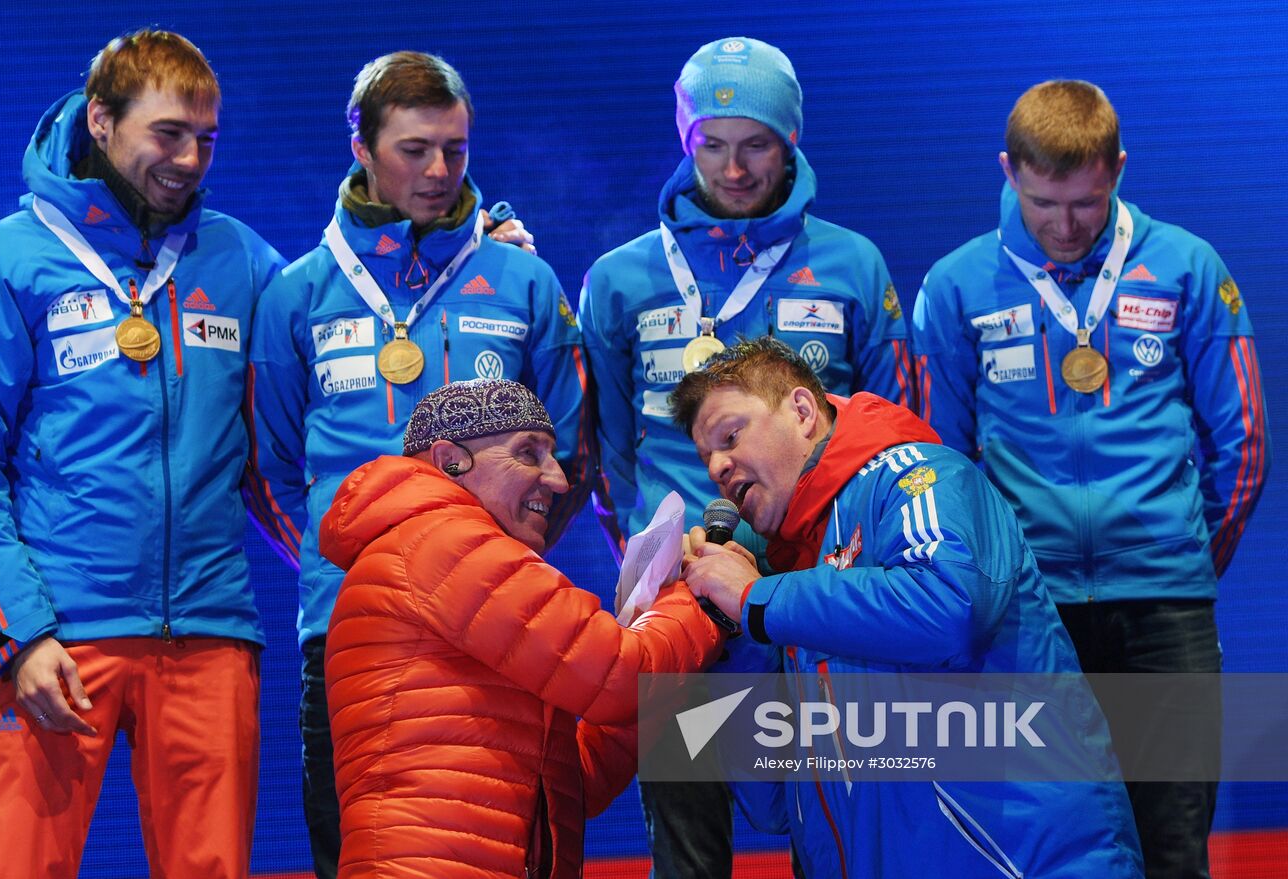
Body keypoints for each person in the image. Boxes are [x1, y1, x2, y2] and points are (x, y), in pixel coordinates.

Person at [0, 29, 284, 878]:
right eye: (167, 134)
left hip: (210, 630)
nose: (190, 159)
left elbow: (308, 427)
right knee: (20, 867)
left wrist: (485, 247)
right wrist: (17, 636)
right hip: (60, 635)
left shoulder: (244, 261)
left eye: (208, 140)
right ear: (102, 119)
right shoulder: (3, 262)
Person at [910, 80, 1270, 878]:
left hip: (1164, 609)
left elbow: (1242, 444)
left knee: (1173, 845)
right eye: (1043, 202)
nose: (1064, 226)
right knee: (1038, 847)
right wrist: (995, 582)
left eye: (1085, 202)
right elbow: (942, 465)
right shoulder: (956, 285)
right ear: (1008, 171)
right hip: (1027, 616)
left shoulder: (1186, 266)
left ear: (1117, 170)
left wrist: (1180, 558)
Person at [246, 51, 591, 879]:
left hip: (502, 621)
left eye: (457, 150)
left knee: (505, 846)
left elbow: (571, 455)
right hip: (349, 628)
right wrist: (368, 573)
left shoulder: (526, 280)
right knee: (362, 853)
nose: (439, 171)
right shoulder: (296, 295)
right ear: (360, 146)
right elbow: (270, 471)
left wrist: (497, 566)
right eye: (414, 149)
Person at [578, 36, 911, 877]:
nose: (733, 168)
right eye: (710, 144)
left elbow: (896, 428)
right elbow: (611, 446)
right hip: (680, 611)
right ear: (684, 140)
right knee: (688, 850)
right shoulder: (621, 280)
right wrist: (662, 557)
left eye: (756, 143)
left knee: (837, 839)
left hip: (815, 601)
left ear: (792, 139)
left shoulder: (851, 264)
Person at [674, 336, 1143, 878]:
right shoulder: (792, 571)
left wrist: (756, 599)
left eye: (731, 436)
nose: (718, 467)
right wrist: (732, 639)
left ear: (802, 411)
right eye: (707, 458)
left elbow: (951, 606)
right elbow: (774, 804)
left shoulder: (915, 475)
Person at [318, 379, 724, 879]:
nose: (556, 479)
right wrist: (700, 595)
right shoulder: (440, 540)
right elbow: (622, 675)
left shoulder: (431, 549)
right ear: (450, 461)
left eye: (552, 456)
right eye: (528, 454)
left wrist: (651, 685)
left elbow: (566, 787)